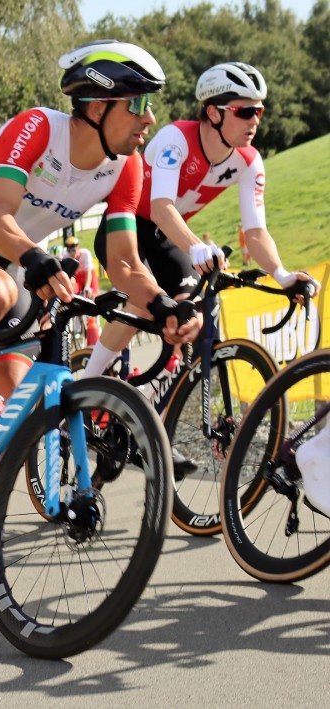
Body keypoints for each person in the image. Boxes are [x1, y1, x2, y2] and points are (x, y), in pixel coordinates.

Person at [0, 40, 190, 598]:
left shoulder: (128, 168)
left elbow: (123, 262)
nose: (150, 119)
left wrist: (160, 304)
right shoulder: (39, 129)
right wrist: (36, 259)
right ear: (97, 106)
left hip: (8, 261)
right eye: (138, 104)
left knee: (17, 409)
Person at [80, 61, 319, 472]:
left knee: (188, 314)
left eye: (259, 111)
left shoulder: (248, 161)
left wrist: (281, 274)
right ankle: (84, 386)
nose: (254, 120)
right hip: (128, 226)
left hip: (168, 237)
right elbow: (161, 206)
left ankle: (146, 421)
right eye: (245, 111)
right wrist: (195, 247)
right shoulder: (176, 137)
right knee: (146, 300)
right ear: (214, 112)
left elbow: (256, 232)